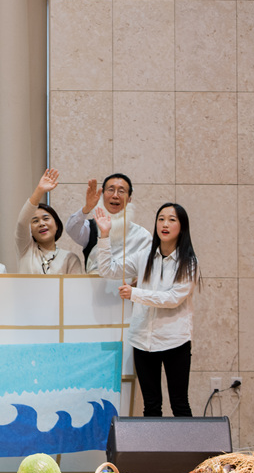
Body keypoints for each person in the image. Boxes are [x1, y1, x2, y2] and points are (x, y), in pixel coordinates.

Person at [95, 203, 200, 418]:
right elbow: (108, 269)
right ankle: (155, 443)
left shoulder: (189, 262)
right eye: (161, 219)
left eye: (171, 219)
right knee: (151, 406)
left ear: (182, 226)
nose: (165, 224)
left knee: (180, 404)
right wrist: (104, 235)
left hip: (174, 340)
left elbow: (172, 299)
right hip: (142, 340)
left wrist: (136, 293)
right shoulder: (144, 255)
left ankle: (187, 442)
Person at [65, 173, 150, 273]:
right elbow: (71, 229)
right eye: (110, 190)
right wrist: (87, 208)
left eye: (121, 191)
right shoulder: (91, 227)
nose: (115, 195)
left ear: (129, 199)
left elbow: (149, 266)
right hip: (94, 282)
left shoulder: (141, 235)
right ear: (102, 195)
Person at [15, 168, 83, 274]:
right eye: (35, 221)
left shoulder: (70, 258)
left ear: (56, 225)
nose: (41, 224)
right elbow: (22, 222)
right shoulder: (26, 249)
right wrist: (39, 191)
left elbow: (75, 285)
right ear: (30, 230)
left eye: (46, 218)